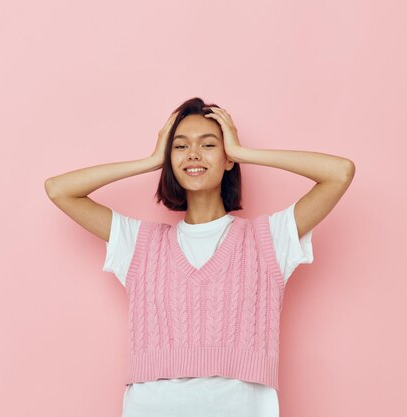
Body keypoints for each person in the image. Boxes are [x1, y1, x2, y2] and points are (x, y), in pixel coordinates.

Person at [44, 97, 355, 416]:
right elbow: (58, 189)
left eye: (208, 144)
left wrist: (245, 153)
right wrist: (151, 160)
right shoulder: (141, 243)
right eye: (179, 147)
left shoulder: (268, 240)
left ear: (228, 157)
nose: (193, 154)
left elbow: (340, 173)